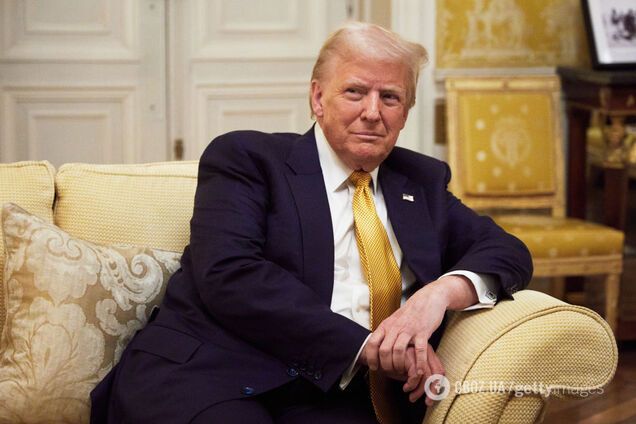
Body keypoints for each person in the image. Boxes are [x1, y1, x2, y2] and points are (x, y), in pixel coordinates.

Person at [90, 22, 532, 424]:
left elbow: (508, 252)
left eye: (390, 97)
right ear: (318, 98)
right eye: (355, 92)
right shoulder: (248, 159)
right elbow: (229, 274)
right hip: (210, 372)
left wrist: (436, 296)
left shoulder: (421, 181)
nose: (373, 112)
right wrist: (367, 348)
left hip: (331, 396)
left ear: (406, 111)